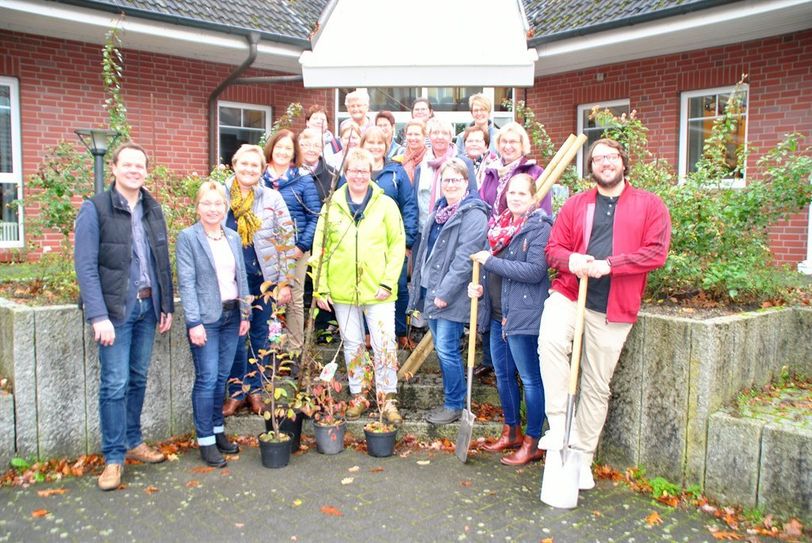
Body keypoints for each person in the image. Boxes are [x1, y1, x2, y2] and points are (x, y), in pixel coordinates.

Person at [538, 138, 671, 490]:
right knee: (550, 341)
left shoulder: (650, 205)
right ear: (591, 167)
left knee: (596, 385)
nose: (605, 163)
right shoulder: (577, 205)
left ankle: (581, 458)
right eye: (598, 159)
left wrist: (610, 265)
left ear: (623, 162)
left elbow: (656, 253)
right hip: (571, 293)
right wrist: (572, 260)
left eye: (611, 157)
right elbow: (553, 249)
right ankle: (560, 425)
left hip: (613, 307)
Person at [74, 142, 173, 491]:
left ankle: (133, 441)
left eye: (140, 165)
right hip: (115, 312)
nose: (134, 170)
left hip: (147, 308)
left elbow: (162, 260)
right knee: (114, 384)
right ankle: (113, 457)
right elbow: (86, 267)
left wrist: (166, 305)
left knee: (138, 378)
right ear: (114, 168)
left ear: (146, 171)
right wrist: (97, 315)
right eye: (127, 164)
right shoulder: (95, 208)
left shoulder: (152, 207)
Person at [311, 148, 406, 424]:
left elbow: (397, 245)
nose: (359, 176)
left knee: (384, 343)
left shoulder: (386, 205)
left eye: (364, 171)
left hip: (379, 289)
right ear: (346, 173)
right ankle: (359, 395)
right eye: (353, 170)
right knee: (353, 344)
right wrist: (321, 287)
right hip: (342, 289)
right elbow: (320, 247)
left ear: (371, 173)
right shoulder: (331, 205)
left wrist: (388, 281)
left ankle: (387, 398)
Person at [468, 173, 552, 465]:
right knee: (503, 376)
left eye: (522, 194)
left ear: (534, 198)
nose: (515, 198)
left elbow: (535, 272)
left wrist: (491, 262)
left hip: (523, 315)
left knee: (530, 379)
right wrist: (479, 287)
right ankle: (511, 431)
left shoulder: (539, 228)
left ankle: (533, 441)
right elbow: (493, 271)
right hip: (496, 313)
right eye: (512, 193)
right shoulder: (499, 226)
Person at [408, 158, 489, 425]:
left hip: (451, 296)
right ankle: (451, 400)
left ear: (467, 182)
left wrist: (444, 293)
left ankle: (454, 405)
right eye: (446, 179)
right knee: (443, 350)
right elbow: (426, 253)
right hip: (430, 289)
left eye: (456, 179)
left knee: (446, 350)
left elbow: (465, 259)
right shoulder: (440, 210)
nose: (450, 184)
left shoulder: (474, 214)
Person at [176, 182, 251, 467]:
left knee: (221, 377)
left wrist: (245, 313)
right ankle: (205, 440)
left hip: (232, 316)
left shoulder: (232, 236)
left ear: (226, 207)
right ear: (197, 207)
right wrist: (193, 322)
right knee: (207, 378)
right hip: (205, 320)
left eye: (218, 203)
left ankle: (218, 430)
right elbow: (187, 283)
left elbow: (241, 276)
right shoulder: (188, 238)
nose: (213, 209)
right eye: (207, 203)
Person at [222, 144, 294, 416]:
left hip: (263, 280)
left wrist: (285, 282)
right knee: (235, 337)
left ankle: (255, 391)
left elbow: (286, 238)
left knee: (260, 336)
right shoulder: (221, 195)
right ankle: (236, 393)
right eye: (244, 163)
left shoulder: (272, 198)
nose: (249, 169)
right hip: (230, 282)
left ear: (263, 169)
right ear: (234, 164)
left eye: (255, 165)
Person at [263, 130, 322, 362]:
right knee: (270, 298)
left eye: (288, 148)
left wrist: (301, 246)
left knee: (294, 300)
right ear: (271, 148)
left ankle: (294, 352)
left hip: (296, 248)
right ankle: (273, 350)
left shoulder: (303, 180)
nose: (283, 152)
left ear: (294, 152)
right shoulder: (260, 178)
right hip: (266, 251)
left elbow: (315, 216)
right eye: (279, 147)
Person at [358, 127, 418, 349]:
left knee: (398, 287)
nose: (375, 147)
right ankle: (367, 333)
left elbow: (409, 206)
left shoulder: (396, 172)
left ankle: (400, 332)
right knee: (365, 286)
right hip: (363, 245)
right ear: (362, 145)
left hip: (393, 244)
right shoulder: (355, 171)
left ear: (386, 147)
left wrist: (407, 241)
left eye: (379, 143)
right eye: (370, 143)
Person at [413, 118, 478, 236]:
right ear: (429, 136)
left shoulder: (464, 163)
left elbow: (473, 196)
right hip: (425, 231)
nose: (440, 137)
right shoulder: (421, 167)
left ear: (451, 137)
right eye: (435, 133)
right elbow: (415, 202)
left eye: (444, 133)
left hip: (456, 230)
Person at [480, 122, 552, 220]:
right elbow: (481, 205)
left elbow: (543, 212)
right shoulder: (491, 172)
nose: (507, 146)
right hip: (489, 229)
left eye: (513, 142)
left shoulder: (535, 173)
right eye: (504, 141)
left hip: (524, 228)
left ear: (522, 145)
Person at [298, 127, 342, 203]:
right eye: (306, 145)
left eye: (316, 146)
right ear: (299, 147)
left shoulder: (333, 174)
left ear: (322, 148)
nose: (311, 150)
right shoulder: (290, 171)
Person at [305, 105, 342, 172]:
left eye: (322, 119)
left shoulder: (336, 144)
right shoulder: (298, 143)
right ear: (307, 122)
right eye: (315, 118)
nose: (319, 122)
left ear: (327, 124)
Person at [396, 119, 427, 185]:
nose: (413, 138)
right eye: (410, 134)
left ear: (424, 136)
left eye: (416, 134)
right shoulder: (399, 155)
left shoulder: (429, 157)